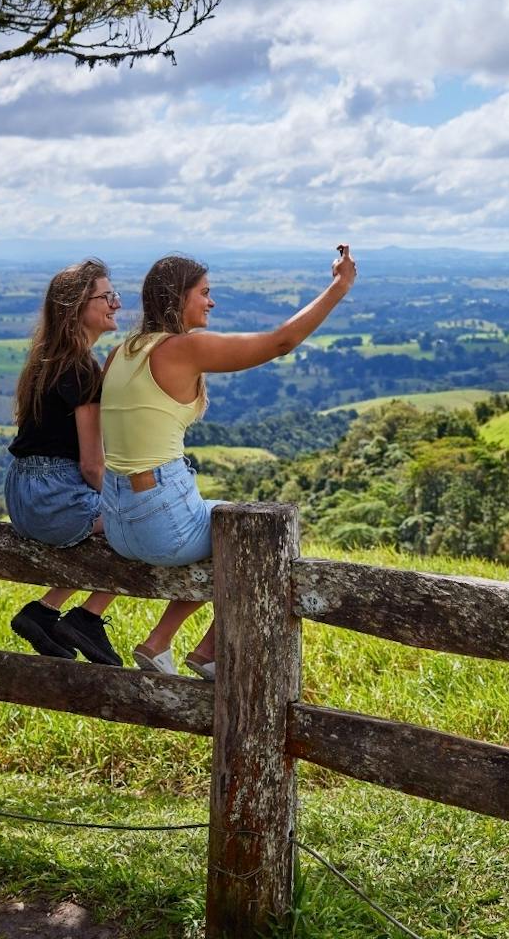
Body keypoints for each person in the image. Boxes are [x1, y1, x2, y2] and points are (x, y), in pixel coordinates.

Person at [102, 245, 357, 679]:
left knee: (224, 517)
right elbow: (281, 342)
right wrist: (340, 286)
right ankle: (209, 653)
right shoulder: (182, 349)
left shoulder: (122, 353)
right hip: (159, 521)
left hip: (117, 521)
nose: (211, 301)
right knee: (260, 540)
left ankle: (159, 643)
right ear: (178, 297)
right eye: (204, 292)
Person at [4, 259, 126, 665]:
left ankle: (42, 612)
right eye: (107, 296)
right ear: (77, 307)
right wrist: (127, 503)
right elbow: (92, 467)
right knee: (144, 523)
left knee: (128, 516)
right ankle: (88, 618)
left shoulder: (48, 360)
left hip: (23, 497)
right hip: (55, 500)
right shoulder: (80, 369)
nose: (116, 304)